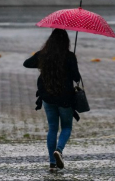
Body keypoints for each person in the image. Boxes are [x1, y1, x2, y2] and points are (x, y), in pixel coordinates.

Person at [23, 28, 81, 172]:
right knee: (66, 127)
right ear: (66, 41)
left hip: (48, 97)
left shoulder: (43, 55)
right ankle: (59, 151)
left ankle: (52, 163)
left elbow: (27, 63)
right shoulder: (69, 56)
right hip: (65, 99)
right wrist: (72, 60)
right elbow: (76, 77)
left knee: (53, 128)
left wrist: (41, 61)